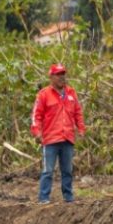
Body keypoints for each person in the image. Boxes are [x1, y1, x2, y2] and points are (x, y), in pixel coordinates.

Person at [30, 63, 85, 204]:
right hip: (50, 139)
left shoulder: (71, 93)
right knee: (48, 170)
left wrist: (81, 129)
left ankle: (68, 197)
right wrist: (37, 132)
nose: (61, 77)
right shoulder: (44, 94)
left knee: (67, 170)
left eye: (63, 74)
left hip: (67, 137)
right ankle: (44, 198)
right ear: (51, 77)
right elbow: (36, 115)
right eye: (58, 74)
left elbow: (78, 112)